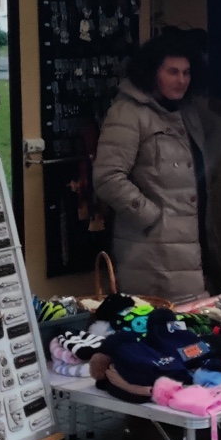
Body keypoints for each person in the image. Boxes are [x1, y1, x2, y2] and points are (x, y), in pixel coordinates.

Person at [92, 28, 212, 301]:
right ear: (152, 72)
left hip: (192, 248)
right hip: (152, 254)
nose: (181, 80)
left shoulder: (187, 112)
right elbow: (108, 177)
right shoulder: (129, 112)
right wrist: (153, 218)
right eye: (172, 72)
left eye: (186, 72)